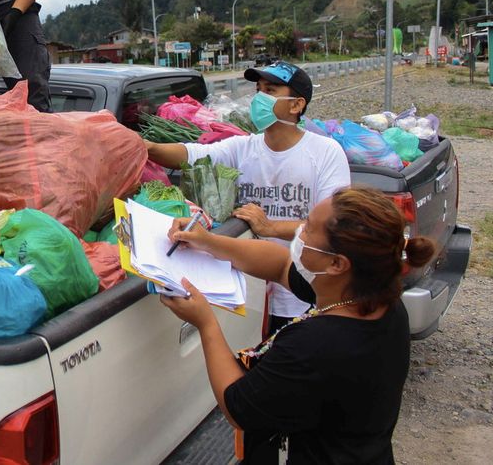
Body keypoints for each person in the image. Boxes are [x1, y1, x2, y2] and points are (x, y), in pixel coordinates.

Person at [158, 187, 435, 464]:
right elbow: (280, 266)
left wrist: (206, 324)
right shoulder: (373, 298)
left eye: (309, 229)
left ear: (337, 263)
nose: (299, 232)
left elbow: (236, 406)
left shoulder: (315, 347)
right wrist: (209, 242)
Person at [145, 61, 350, 334]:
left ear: (296, 105)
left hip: (300, 292)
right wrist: (144, 146)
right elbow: (189, 154)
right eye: (258, 89)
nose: (259, 98)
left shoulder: (325, 152)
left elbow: (334, 228)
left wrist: (271, 228)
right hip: (249, 291)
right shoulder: (243, 147)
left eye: (271, 90)